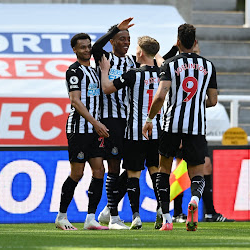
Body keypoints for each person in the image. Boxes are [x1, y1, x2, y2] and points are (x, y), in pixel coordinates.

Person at [142, 24, 218, 231]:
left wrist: (149, 118)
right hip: (196, 127)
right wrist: (193, 104)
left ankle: (166, 218)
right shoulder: (209, 66)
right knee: (197, 173)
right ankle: (194, 199)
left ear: (177, 42)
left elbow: (160, 95)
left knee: (164, 169)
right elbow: (212, 101)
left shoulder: (170, 64)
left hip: (171, 125)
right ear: (194, 42)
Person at [99, 36, 162, 230]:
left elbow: (107, 88)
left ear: (141, 52)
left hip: (134, 131)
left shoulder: (133, 74)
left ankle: (136, 216)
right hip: (155, 131)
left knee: (133, 174)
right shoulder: (162, 73)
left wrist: (104, 71)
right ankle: (163, 211)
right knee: (156, 172)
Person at [172, 40, 234, 223]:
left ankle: (209, 212)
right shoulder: (177, 69)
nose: (196, 55)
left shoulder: (202, 70)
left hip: (197, 126)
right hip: (180, 126)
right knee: (181, 170)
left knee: (204, 166)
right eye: (195, 51)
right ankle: (177, 213)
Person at [55, 33, 109, 231]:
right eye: (83, 47)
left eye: (88, 47)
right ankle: (61, 217)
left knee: (99, 171)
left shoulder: (95, 71)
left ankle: (90, 219)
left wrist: (113, 30)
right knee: (77, 173)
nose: (87, 50)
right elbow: (75, 101)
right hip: (79, 129)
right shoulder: (74, 71)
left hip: (95, 130)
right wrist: (96, 123)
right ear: (75, 50)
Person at [92, 17, 137, 230]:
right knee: (113, 166)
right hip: (111, 119)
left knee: (133, 166)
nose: (126, 42)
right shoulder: (105, 57)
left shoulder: (132, 63)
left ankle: (109, 208)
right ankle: (114, 219)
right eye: (121, 39)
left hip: (129, 120)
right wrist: (115, 29)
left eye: (128, 38)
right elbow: (95, 46)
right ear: (113, 41)